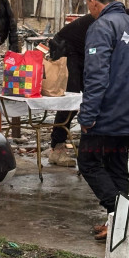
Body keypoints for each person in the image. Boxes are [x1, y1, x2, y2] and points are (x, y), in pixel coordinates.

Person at [78, 0, 129, 240]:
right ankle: (120, 224)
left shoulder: (101, 26)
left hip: (109, 114)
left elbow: (96, 75)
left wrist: (88, 115)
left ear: (92, 1)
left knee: (88, 162)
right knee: (117, 166)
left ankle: (119, 216)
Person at [46, 13, 95, 166]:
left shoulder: (122, 21)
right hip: (67, 50)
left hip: (82, 54)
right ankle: (57, 148)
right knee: (70, 101)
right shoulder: (119, 21)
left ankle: (92, 148)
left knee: (89, 100)